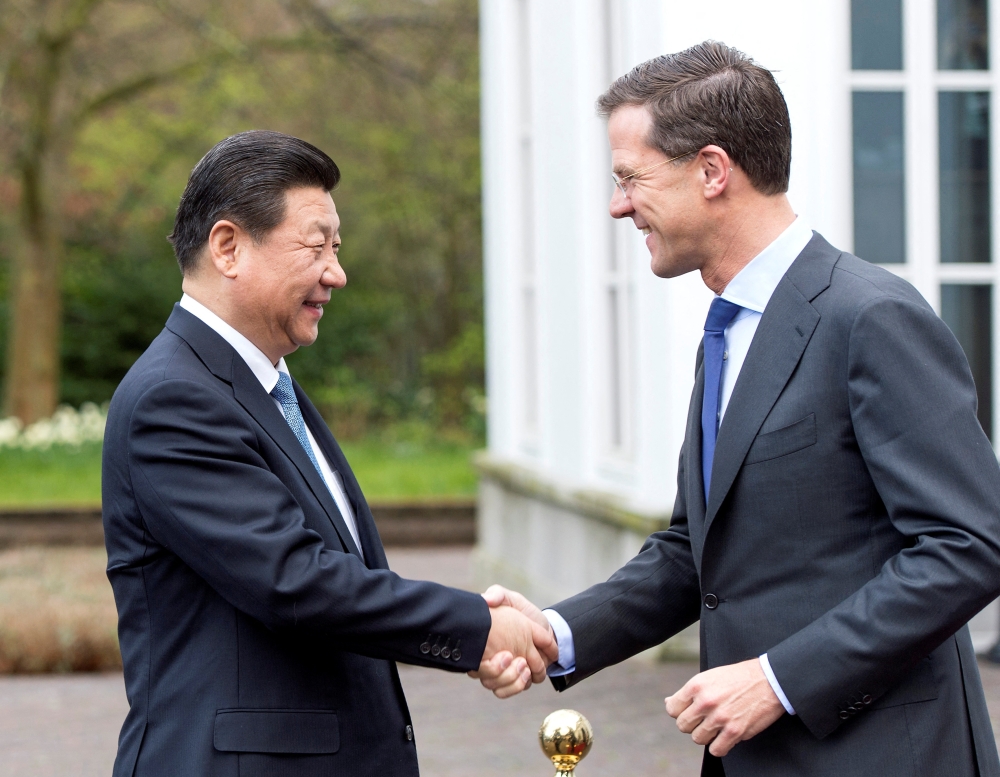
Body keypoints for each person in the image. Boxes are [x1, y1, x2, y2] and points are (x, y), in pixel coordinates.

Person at [475, 42, 1000, 776]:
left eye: (632, 178)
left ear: (713, 171)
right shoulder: (727, 330)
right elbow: (698, 552)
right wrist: (556, 632)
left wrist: (780, 678)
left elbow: (968, 544)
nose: (618, 203)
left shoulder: (872, 316)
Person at [102, 130, 555, 776]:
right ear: (228, 246)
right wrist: (475, 627)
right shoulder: (173, 399)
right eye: (317, 246)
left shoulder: (267, 387)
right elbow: (296, 580)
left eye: (336, 249)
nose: (336, 273)